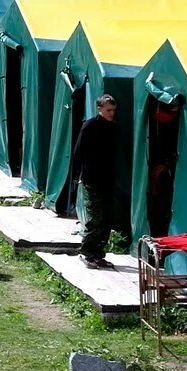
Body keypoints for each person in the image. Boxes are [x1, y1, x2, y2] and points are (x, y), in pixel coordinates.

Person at [71, 94, 123, 269]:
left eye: (113, 110)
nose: (111, 113)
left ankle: (98, 254)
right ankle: (86, 251)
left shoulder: (114, 128)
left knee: (107, 218)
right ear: (99, 108)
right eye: (108, 110)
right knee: (96, 217)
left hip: (108, 179)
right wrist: (77, 176)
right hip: (92, 179)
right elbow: (78, 153)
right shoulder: (90, 126)